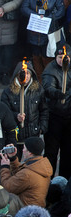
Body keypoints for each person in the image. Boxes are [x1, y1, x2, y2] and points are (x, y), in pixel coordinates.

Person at [1, 61, 49, 159]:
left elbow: (44, 110)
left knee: (33, 165)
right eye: (23, 73)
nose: (26, 76)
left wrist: (42, 127)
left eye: (28, 73)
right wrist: (15, 116)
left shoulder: (38, 90)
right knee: (14, 163)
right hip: (15, 135)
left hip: (33, 133)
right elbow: (4, 112)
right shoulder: (8, 92)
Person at [42, 44, 71, 179]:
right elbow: (48, 87)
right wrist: (58, 94)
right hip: (54, 116)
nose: (62, 60)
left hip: (69, 117)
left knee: (68, 151)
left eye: (65, 57)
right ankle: (48, 181)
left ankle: (64, 181)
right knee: (51, 152)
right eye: (60, 57)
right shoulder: (50, 70)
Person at [0, 137, 53, 207]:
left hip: (25, 210)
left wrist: (5, 167)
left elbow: (7, 187)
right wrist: (13, 159)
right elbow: (20, 175)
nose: (22, 150)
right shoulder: (41, 164)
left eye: (24, 148)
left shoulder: (27, 174)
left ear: (30, 152)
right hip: (37, 206)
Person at [21, 0, 65, 82]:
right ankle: (39, 80)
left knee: (48, 56)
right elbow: (24, 8)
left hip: (49, 32)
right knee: (36, 57)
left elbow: (61, 11)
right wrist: (35, 15)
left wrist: (49, 17)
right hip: (34, 30)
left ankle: (49, 80)